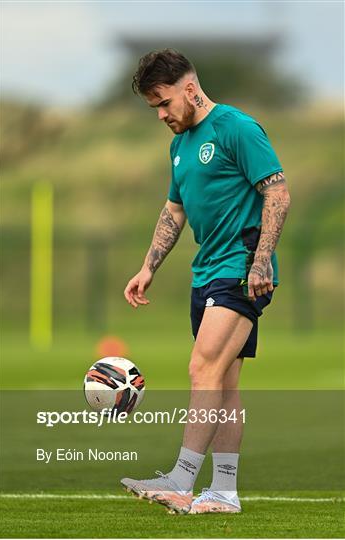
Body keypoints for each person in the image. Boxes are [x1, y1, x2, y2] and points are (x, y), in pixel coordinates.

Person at [121, 49, 291, 515]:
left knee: (203, 368)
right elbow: (174, 209)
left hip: (238, 268)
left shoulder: (237, 128)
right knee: (226, 385)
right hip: (206, 271)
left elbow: (276, 191)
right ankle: (224, 492)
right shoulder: (178, 146)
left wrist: (261, 262)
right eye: (153, 106)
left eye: (164, 101)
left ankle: (181, 480)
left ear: (190, 89)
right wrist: (149, 266)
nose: (160, 114)